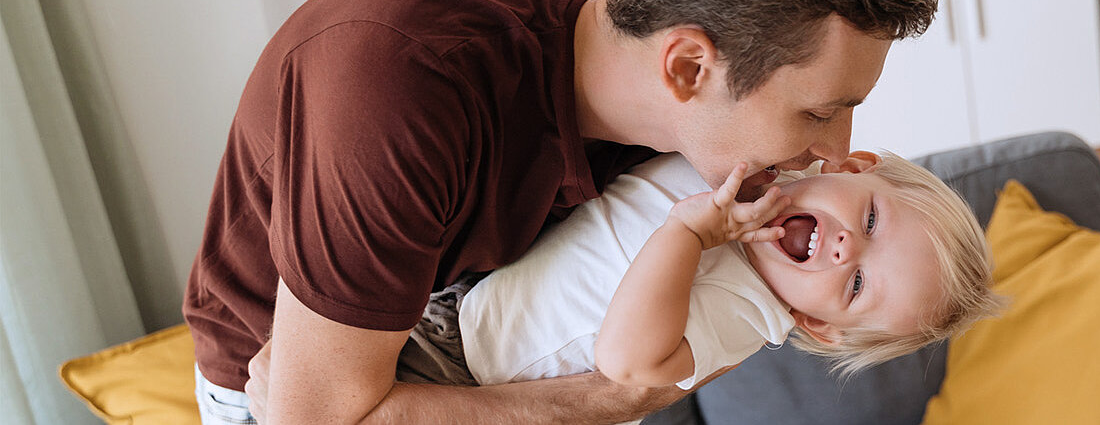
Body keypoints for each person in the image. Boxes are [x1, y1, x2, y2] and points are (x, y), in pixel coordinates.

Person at [182, 0, 940, 423]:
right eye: (820, 109)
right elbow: (314, 418)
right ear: (687, 69)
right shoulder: (399, 93)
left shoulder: (635, 51)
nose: (831, 149)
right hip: (284, 378)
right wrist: (609, 400)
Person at [393, 151, 1000, 404]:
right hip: (463, 285)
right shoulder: (762, 156)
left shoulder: (745, 313)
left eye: (859, 285)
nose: (845, 248)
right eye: (870, 218)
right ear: (853, 163)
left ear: (815, 322)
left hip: (468, 371)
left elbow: (628, 362)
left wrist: (685, 238)